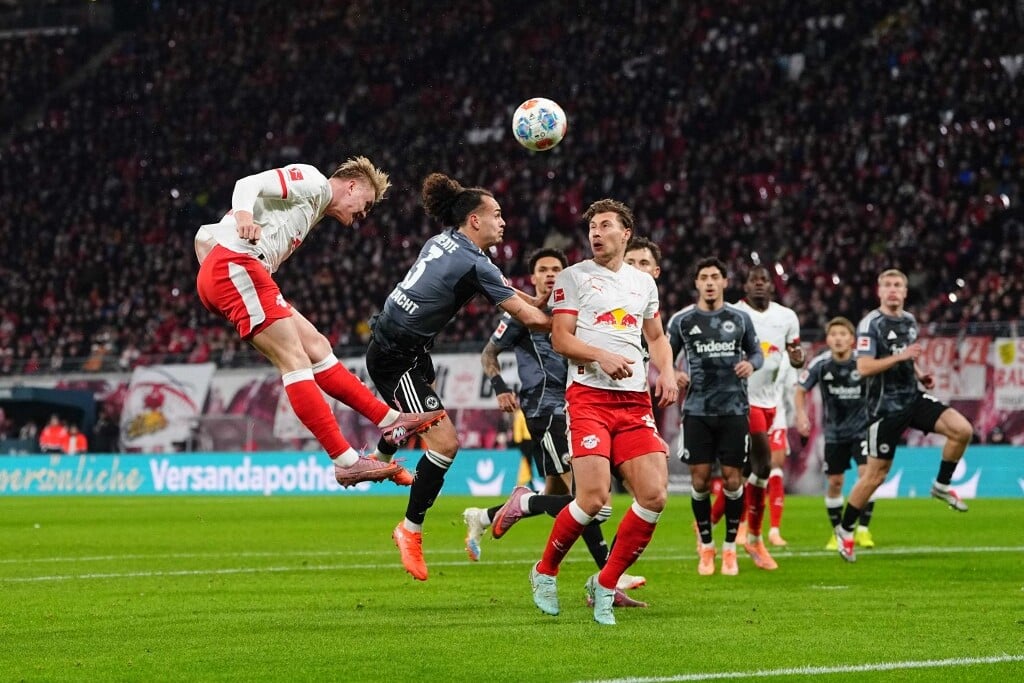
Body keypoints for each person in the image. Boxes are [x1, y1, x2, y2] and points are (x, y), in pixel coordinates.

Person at [193, 158, 445, 488]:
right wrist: (242, 219)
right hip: (237, 266)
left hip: (236, 269)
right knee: (294, 360)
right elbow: (247, 183)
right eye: (366, 204)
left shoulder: (312, 208)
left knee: (316, 346)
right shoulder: (312, 182)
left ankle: (390, 420)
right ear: (351, 186)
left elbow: (206, 238)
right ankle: (346, 461)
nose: (364, 215)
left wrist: (213, 264)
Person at [368, 172, 551, 582]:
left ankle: (381, 455)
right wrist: (573, 324)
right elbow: (531, 320)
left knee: (423, 421)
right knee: (445, 444)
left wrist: (535, 298)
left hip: (405, 347)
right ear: (474, 220)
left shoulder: (445, 240)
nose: (503, 222)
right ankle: (409, 529)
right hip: (396, 358)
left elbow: (501, 285)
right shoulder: (475, 263)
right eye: (496, 215)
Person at [467, 247, 646, 606]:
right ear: (533, 278)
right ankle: (609, 577)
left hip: (580, 406)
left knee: (564, 498)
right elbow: (488, 354)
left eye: (556, 269)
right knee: (588, 498)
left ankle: (486, 515)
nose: (550, 275)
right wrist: (500, 387)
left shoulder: (578, 311)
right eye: (543, 269)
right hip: (546, 410)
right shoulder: (522, 315)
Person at [529, 199, 677, 626]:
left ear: (625, 233)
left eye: (605, 225)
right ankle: (545, 571)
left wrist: (667, 371)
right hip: (589, 398)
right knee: (593, 498)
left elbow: (656, 336)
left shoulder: (643, 283)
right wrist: (601, 356)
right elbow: (560, 338)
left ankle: (605, 583)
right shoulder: (574, 277)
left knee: (654, 495)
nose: (596, 232)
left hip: (634, 402)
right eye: (592, 226)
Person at [834, 269, 974, 562]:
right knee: (875, 476)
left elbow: (906, 357)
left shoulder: (909, 321)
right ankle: (845, 530)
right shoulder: (870, 324)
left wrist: (920, 374)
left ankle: (941, 485)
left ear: (905, 292)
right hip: (884, 409)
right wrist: (901, 357)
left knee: (962, 430)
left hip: (912, 398)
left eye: (898, 285)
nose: (893, 290)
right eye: (887, 285)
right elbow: (864, 367)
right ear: (879, 291)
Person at [667, 257, 763, 576]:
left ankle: (730, 548)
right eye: (704, 277)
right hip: (697, 411)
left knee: (734, 480)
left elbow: (757, 352)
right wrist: (673, 373)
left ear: (725, 282)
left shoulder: (740, 318)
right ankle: (707, 547)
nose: (709, 282)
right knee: (700, 480)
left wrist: (752, 364)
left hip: (734, 409)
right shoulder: (682, 321)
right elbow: (665, 357)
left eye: (714, 277)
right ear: (696, 283)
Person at [730, 265, 804, 567]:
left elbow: (796, 355)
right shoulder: (734, 313)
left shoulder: (787, 317)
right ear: (745, 286)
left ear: (772, 286)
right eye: (754, 280)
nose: (759, 284)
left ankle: (710, 523)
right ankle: (755, 538)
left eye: (764, 280)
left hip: (772, 403)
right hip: (742, 400)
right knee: (763, 465)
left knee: (748, 471)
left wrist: (798, 358)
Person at [794, 317, 877, 550]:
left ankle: (863, 530)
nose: (838, 339)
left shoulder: (863, 362)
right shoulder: (821, 364)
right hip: (833, 433)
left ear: (852, 340)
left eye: (843, 334)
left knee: (866, 476)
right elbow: (800, 390)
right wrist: (801, 415)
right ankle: (837, 532)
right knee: (835, 482)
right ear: (828, 339)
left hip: (862, 430)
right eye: (833, 335)